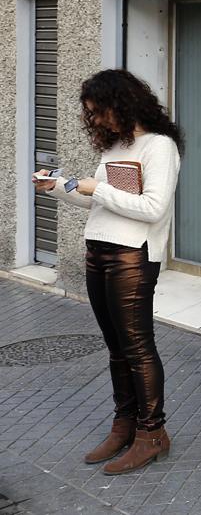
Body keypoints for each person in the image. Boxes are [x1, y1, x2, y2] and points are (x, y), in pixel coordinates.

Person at [34, 69, 183, 475]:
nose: (96, 120)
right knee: (116, 347)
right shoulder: (115, 147)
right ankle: (125, 425)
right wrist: (62, 187)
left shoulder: (159, 147)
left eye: (99, 111)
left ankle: (153, 434)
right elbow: (103, 203)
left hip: (133, 256)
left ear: (123, 103)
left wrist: (94, 188)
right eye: (91, 114)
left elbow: (153, 208)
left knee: (137, 346)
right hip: (97, 249)